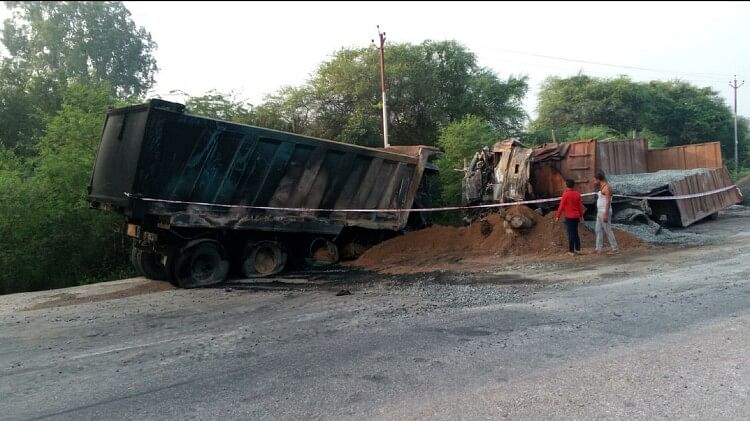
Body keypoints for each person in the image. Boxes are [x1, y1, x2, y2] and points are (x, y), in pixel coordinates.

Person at [555, 179, 585, 256]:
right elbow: (580, 207)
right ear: (573, 185)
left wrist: (557, 216)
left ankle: (571, 251)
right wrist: (581, 216)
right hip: (576, 216)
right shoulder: (577, 194)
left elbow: (561, 206)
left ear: (566, 185)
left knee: (570, 233)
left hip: (569, 216)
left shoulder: (565, 194)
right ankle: (578, 249)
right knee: (575, 232)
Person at [593, 171, 619, 255]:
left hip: (604, 211)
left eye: (595, 180)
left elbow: (608, 201)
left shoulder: (607, 188)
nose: (594, 182)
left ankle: (615, 248)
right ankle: (598, 248)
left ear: (598, 179)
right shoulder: (603, 187)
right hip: (600, 211)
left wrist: (606, 214)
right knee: (598, 230)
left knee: (608, 230)